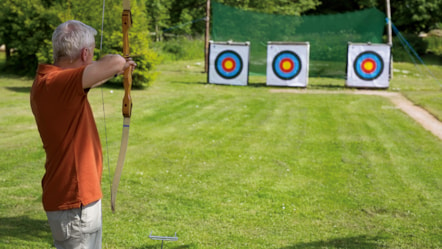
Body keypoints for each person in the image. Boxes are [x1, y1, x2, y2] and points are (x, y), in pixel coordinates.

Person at [30, 20, 136, 249]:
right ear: (85, 53)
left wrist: (119, 70)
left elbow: (94, 78)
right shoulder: (58, 83)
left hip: (77, 199)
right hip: (73, 202)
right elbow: (115, 61)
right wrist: (121, 62)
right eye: (92, 53)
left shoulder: (51, 81)